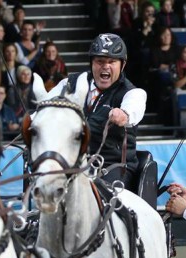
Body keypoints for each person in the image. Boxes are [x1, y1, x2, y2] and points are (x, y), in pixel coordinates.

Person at [46, 33, 147, 191]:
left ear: (123, 64)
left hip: (113, 166)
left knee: (100, 195)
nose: (105, 66)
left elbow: (133, 108)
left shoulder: (132, 93)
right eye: (100, 61)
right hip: (73, 164)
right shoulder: (70, 83)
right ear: (91, 63)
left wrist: (123, 114)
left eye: (112, 61)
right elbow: (45, 107)